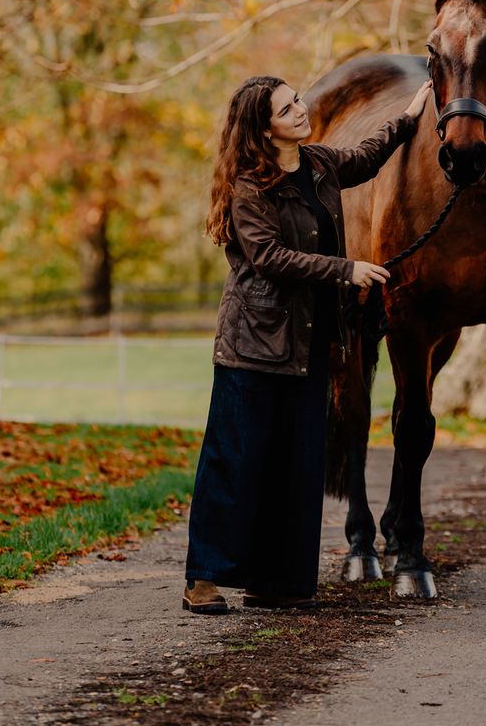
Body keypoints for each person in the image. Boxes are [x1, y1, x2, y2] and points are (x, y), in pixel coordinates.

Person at [183, 73, 433, 613]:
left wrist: (410, 118)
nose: (300, 109)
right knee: (236, 461)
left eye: (297, 100)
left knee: (295, 463)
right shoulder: (250, 185)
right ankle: (203, 577)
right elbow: (268, 257)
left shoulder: (317, 165)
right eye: (286, 108)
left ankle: (275, 581)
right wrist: (347, 270)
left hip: (310, 342)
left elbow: (366, 157)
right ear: (265, 129)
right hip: (254, 342)